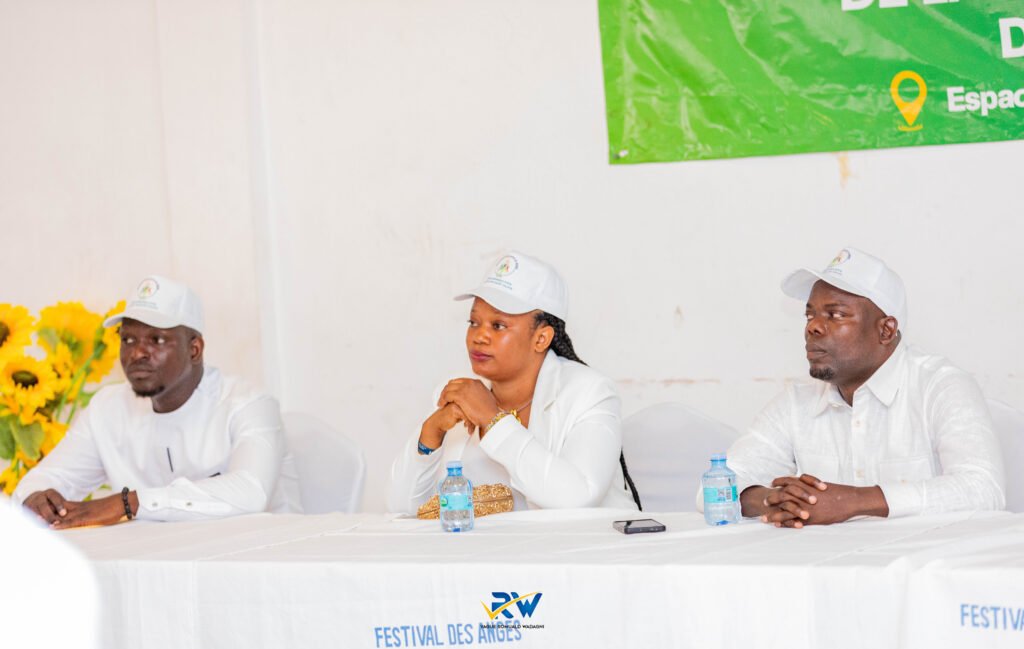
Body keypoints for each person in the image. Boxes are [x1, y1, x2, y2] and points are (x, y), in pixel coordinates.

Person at [726, 247, 1005, 527]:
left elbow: (984, 488)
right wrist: (774, 499)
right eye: (810, 316)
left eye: (836, 315)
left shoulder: (941, 387)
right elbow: (719, 485)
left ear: (885, 330)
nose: (813, 328)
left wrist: (853, 501)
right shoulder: (796, 403)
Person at [14, 275, 301, 527]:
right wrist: (38, 498)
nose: (137, 353)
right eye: (128, 340)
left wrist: (131, 503)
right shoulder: (107, 408)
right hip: (161, 562)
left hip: (263, 557)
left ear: (194, 349)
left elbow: (251, 491)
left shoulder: (247, 404)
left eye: (157, 340)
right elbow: (44, 479)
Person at [388, 251, 641, 513]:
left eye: (498, 326)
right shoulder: (459, 393)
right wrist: (432, 432)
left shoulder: (589, 392)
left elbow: (578, 498)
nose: (479, 336)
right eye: (473, 322)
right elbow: (402, 509)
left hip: (587, 539)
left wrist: (492, 420)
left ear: (541, 338)